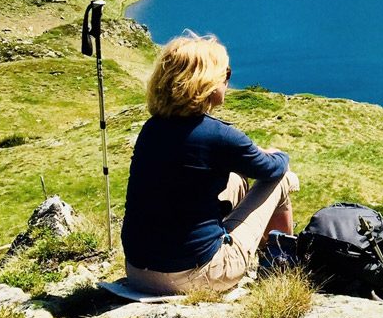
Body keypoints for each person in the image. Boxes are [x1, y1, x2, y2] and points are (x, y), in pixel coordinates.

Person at [121, 33, 299, 295]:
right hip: (194, 277)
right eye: (224, 73)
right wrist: (279, 154)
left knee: (236, 180)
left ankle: (246, 248)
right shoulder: (218, 135)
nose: (228, 79)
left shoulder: (152, 128)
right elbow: (272, 169)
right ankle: (285, 268)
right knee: (283, 179)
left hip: (137, 273)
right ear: (203, 82)